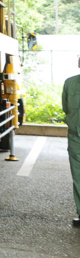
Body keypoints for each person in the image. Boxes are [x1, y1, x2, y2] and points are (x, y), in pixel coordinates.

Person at [62, 57, 80, 228]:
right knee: (78, 176)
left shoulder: (70, 83)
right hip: (76, 135)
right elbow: (65, 108)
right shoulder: (70, 83)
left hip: (76, 134)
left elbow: (65, 107)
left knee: (78, 175)